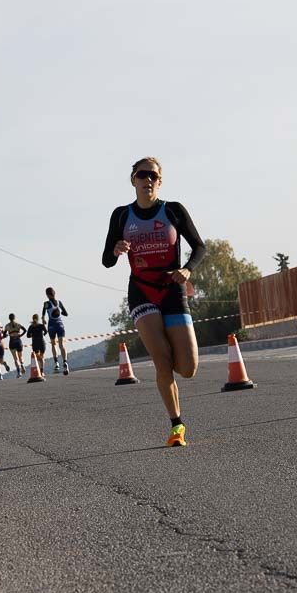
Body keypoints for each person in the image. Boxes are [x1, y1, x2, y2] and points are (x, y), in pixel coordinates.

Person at [102, 156, 207, 447]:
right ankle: (177, 426)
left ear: (160, 181)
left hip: (172, 290)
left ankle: (173, 367)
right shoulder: (122, 216)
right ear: (133, 180)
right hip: (142, 292)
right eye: (141, 175)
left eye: (153, 176)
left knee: (187, 368)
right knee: (161, 358)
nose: (147, 180)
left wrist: (187, 269)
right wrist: (116, 248)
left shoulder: (173, 211)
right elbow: (106, 261)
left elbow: (200, 246)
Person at [42, 287, 69, 374]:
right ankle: (65, 362)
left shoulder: (46, 303)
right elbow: (66, 313)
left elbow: (43, 315)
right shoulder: (59, 302)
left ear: (47, 295)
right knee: (62, 345)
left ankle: (56, 363)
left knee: (53, 344)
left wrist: (43, 320)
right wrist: (60, 312)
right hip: (60, 325)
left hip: (51, 326)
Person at [4, 313, 27, 379]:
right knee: (20, 356)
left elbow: (4, 335)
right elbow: (25, 330)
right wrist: (21, 335)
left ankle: (19, 372)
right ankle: (22, 364)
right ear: (14, 318)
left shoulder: (7, 326)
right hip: (18, 340)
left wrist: (6, 335)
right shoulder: (18, 324)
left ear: (9, 318)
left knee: (15, 358)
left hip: (12, 341)